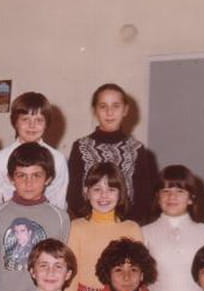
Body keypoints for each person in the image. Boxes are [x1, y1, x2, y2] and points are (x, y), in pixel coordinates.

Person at [67, 83, 157, 225]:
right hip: (90, 224)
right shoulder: (80, 146)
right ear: (94, 111)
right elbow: (73, 196)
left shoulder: (137, 149)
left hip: (126, 226)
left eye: (116, 106)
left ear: (125, 110)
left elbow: (144, 198)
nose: (109, 112)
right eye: (103, 106)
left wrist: (124, 225)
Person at [0, 142, 70, 291]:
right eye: (21, 175)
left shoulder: (60, 217)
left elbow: (62, 264)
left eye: (36, 175)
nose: (28, 183)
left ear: (48, 178)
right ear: (10, 178)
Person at [66, 162, 142, 291]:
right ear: (86, 192)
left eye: (111, 189)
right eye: (97, 189)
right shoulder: (76, 227)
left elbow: (138, 271)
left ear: (120, 193)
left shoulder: (132, 228)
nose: (104, 195)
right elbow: (71, 272)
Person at [0, 91, 68, 211]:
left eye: (39, 120)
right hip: (9, 217)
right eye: (25, 119)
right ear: (15, 122)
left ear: (46, 124)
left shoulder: (58, 159)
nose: (32, 125)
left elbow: (59, 200)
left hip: (45, 217)